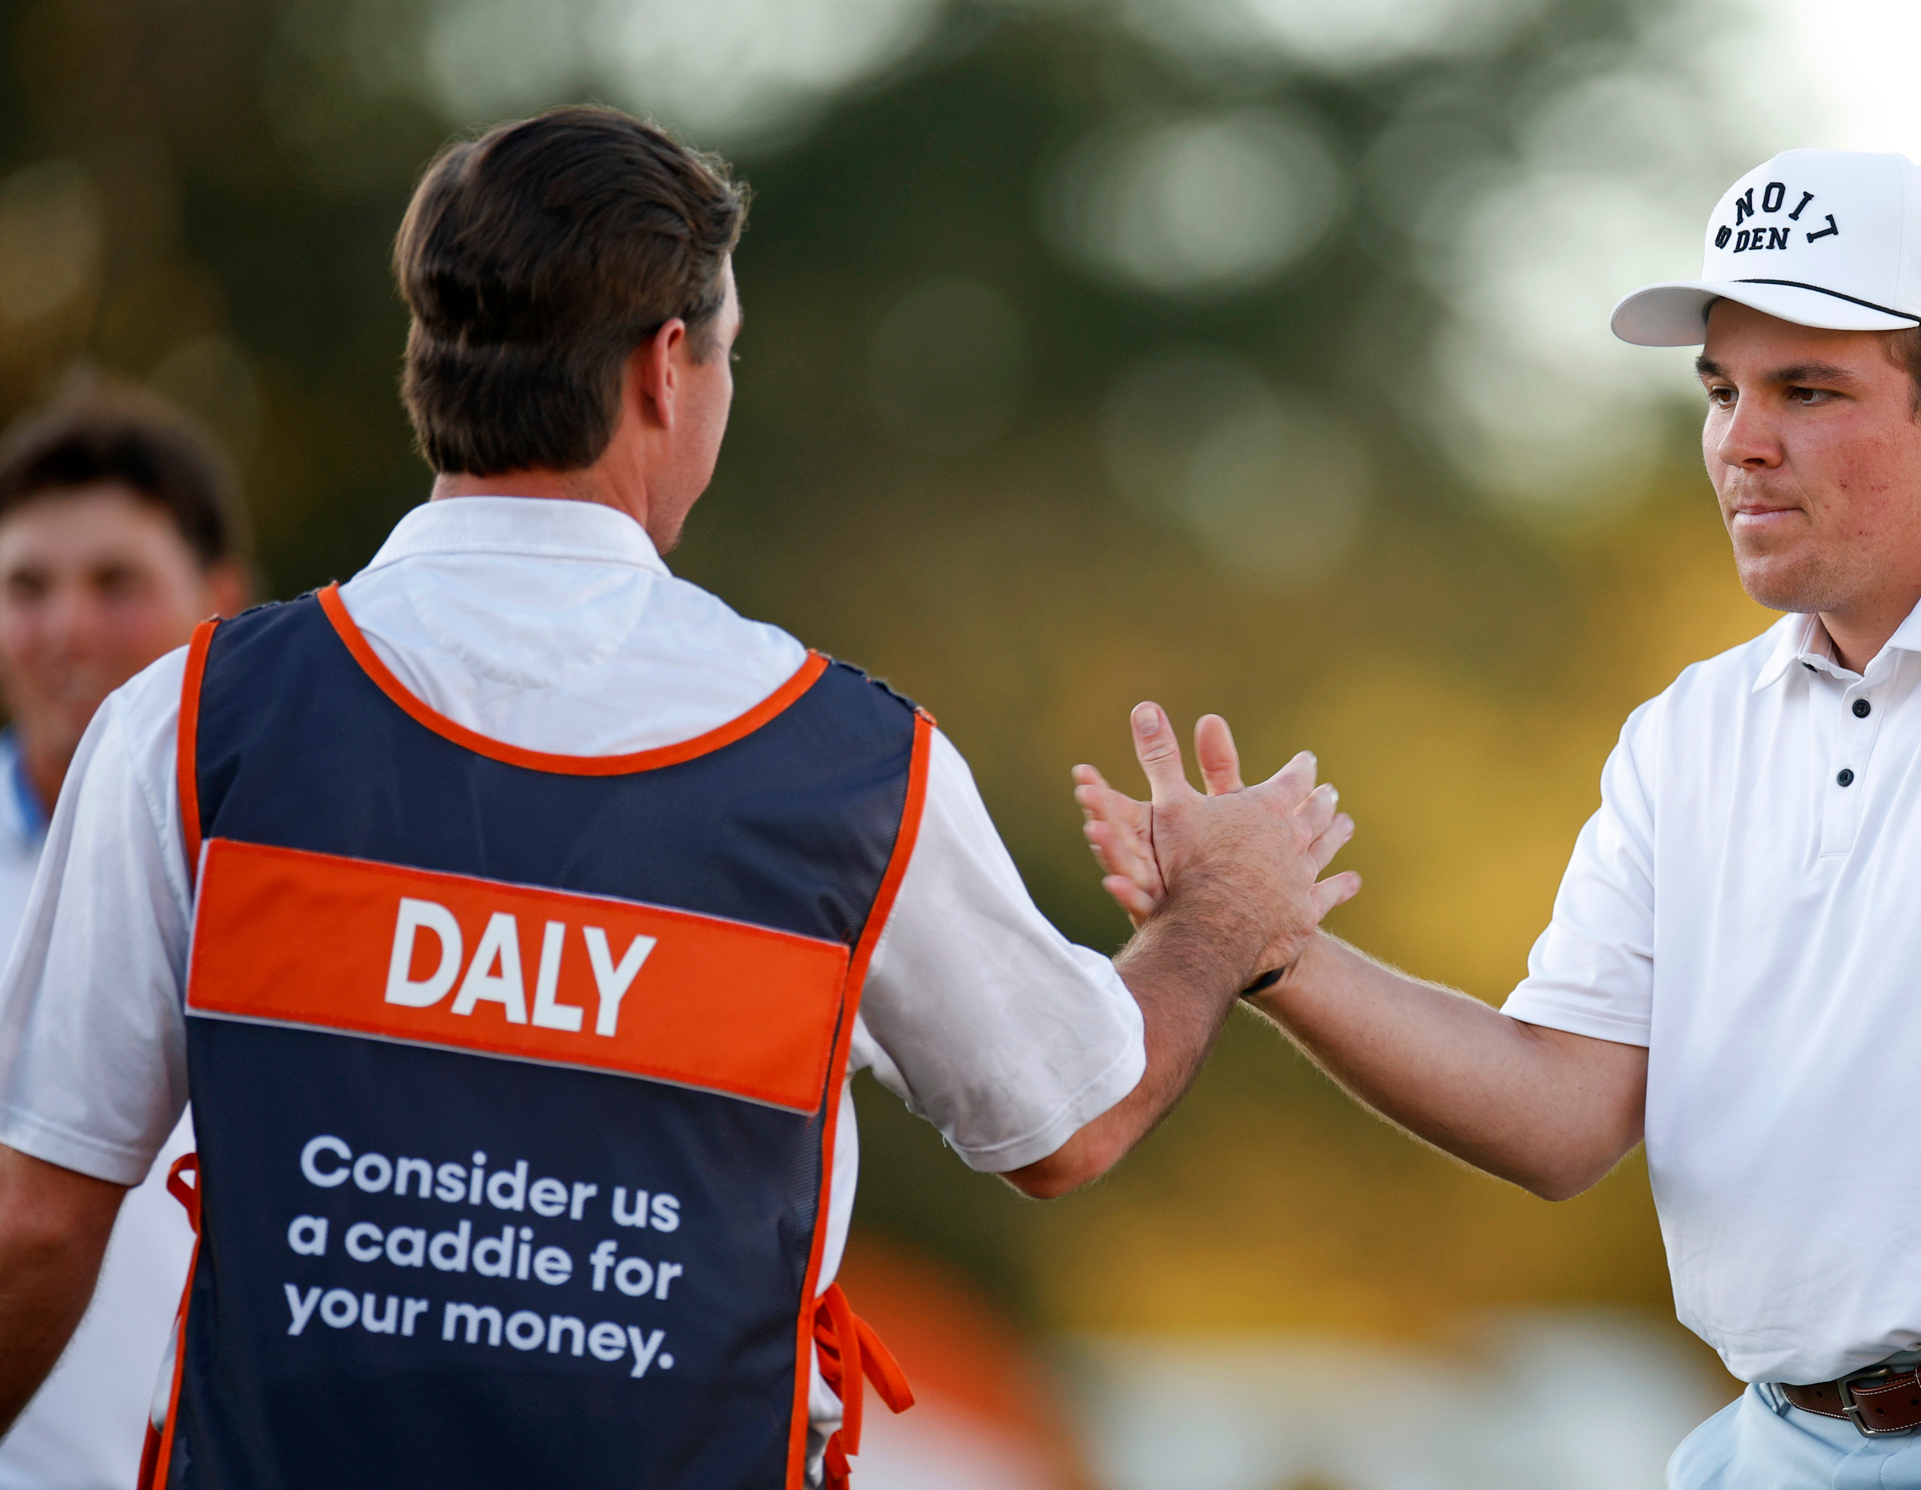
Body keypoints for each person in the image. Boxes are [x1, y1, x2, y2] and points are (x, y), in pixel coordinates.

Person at [0, 106, 1353, 1489]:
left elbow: (40, 1223)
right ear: (664, 368)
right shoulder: (845, 762)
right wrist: (1228, 908)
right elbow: (1068, 1119)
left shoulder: (193, 717)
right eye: (730, 354)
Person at [1076, 149, 1921, 1489]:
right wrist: (1273, 949)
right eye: (1722, 391)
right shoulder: (1689, 732)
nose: (1741, 440)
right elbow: (1559, 1111)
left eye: (1808, 391)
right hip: (1777, 1444)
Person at [0, 386, 249, 1490]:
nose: (69, 629)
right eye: (26, 586)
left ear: (222, 601)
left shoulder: (304, 888)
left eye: (117, 582)